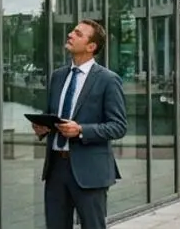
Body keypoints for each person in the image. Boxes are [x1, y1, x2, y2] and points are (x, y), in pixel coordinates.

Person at [34, 20, 127, 229]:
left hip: (90, 172)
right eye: (72, 31)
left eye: (77, 33)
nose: (70, 34)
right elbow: (52, 114)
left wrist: (81, 130)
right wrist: (43, 127)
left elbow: (119, 126)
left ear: (91, 46)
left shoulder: (108, 80)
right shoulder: (58, 77)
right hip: (56, 168)